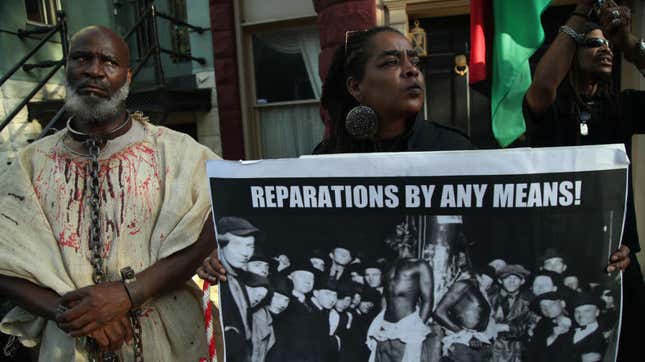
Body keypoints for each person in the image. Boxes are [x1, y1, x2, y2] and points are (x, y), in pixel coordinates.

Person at [0, 25, 217, 360]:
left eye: (108, 62)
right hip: (68, 344)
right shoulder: (30, 164)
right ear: (67, 69)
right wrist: (77, 314)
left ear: (127, 77)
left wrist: (128, 294)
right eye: (82, 58)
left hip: (170, 344)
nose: (94, 70)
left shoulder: (179, 154)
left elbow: (221, 221)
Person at [523, 1, 643, 359]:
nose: (604, 47)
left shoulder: (621, 107)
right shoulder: (548, 111)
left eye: (607, 42)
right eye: (593, 43)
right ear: (571, 52)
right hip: (560, 264)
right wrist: (580, 13)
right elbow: (544, 84)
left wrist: (630, 43)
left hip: (618, 260)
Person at [216, 216, 259, 362]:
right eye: (237, 244)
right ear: (220, 244)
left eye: (250, 246)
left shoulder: (238, 278)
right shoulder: (213, 278)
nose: (246, 253)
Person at [489, 264, 532, 362]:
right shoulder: (489, 298)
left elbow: (533, 326)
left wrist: (507, 327)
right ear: (500, 280)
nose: (511, 282)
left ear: (522, 281)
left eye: (516, 278)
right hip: (491, 351)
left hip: (517, 351)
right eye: (507, 278)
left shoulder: (529, 302)